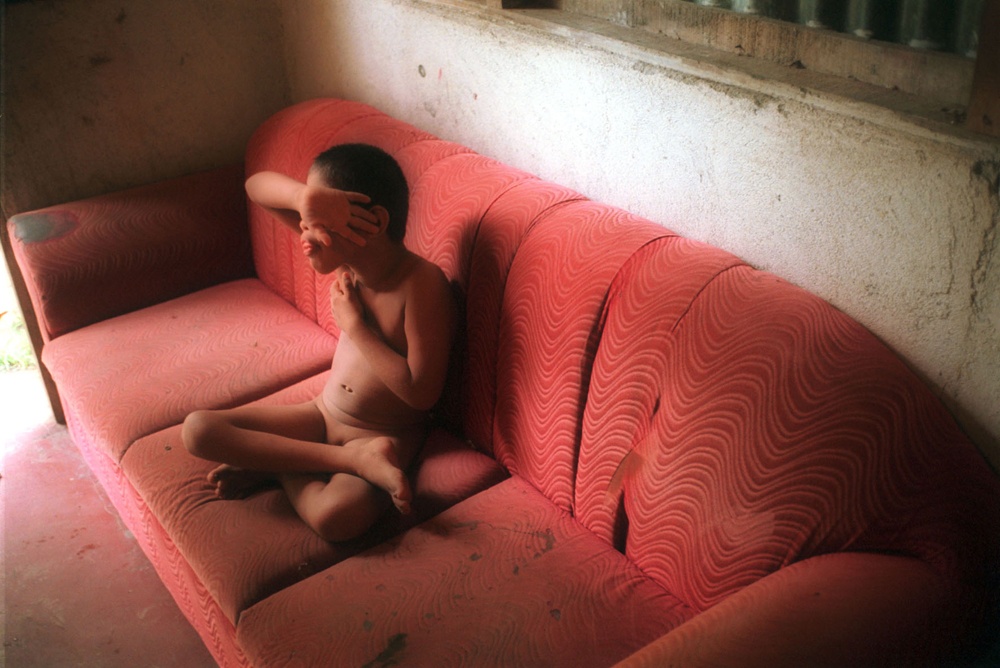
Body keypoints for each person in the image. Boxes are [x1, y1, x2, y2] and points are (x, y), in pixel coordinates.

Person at [182, 143, 456, 542]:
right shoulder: (349, 257)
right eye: (304, 221)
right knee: (198, 430)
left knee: (336, 519)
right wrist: (303, 198)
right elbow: (255, 186)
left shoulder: (421, 284)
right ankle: (345, 462)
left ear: (372, 223)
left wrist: (355, 326)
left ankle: (282, 464)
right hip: (322, 415)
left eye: (315, 224)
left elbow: (421, 393)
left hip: (381, 436)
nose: (303, 237)